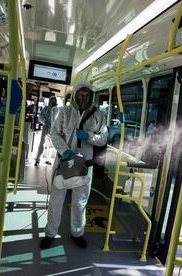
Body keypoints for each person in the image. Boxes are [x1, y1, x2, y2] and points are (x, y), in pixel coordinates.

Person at [40, 80, 108, 249]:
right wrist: (65, 151)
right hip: (64, 162)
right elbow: (55, 133)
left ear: (91, 96)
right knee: (56, 201)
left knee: (80, 202)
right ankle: (50, 233)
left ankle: (77, 233)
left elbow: (104, 138)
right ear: (76, 94)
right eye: (81, 94)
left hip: (84, 164)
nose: (84, 97)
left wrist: (89, 136)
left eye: (87, 94)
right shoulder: (66, 112)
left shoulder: (98, 116)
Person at [35, 96, 57, 166]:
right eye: (52, 101)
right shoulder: (46, 109)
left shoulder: (56, 110)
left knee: (51, 145)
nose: (53, 102)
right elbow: (40, 118)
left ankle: (48, 160)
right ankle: (37, 160)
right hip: (46, 128)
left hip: (53, 129)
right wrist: (44, 123)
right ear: (50, 101)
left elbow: (56, 120)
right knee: (42, 144)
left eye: (54, 101)